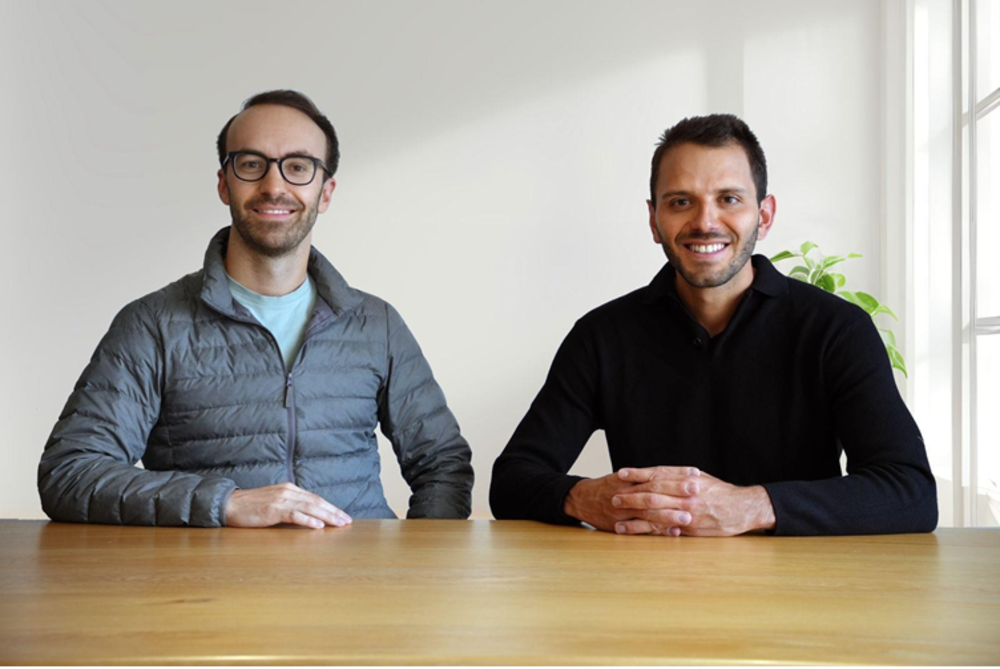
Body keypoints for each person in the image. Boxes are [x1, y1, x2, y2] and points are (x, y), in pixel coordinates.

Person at [38, 90, 473, 528]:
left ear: (325, 192)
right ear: (224, 183)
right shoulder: (151, 324)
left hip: (355, 585)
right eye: (251, 164)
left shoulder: (376, 325)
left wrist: (417, 567)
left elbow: (443, 465)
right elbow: (70, 472)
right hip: (208, 587)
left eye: (298, 167)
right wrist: (225, 502)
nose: (274, 186)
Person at [490, 114, 936, 536]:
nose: (704, 222)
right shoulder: (602, 336)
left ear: (764, 215)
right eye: (681, 202)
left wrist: (751, 506)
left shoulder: (836, 329)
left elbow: (910, 492)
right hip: (646, 591)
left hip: (801, 596)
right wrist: (584, 497)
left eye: (729, 199)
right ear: (654, 219)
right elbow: (511, 479)